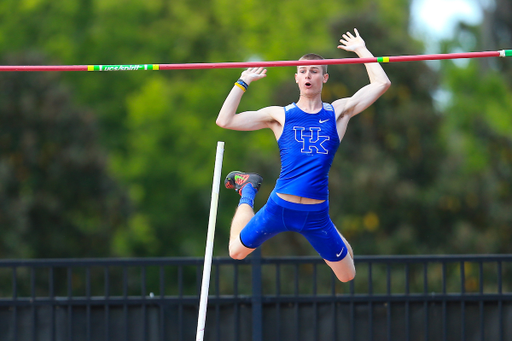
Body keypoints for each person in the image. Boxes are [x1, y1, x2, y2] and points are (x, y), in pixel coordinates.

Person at [216, 28, 391, 282]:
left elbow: (381, 83)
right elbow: (225, 120)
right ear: (297, 78)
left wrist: (361, 50)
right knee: (236, 251)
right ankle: (248, 189)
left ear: (325, 78)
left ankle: (334, 236)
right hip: (279, 207)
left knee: (347, 275)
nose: (308, 75)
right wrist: (243, 81)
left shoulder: (338, 113)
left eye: (314, 71)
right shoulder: (280, 115)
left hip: (316, 214)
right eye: (302, 71)